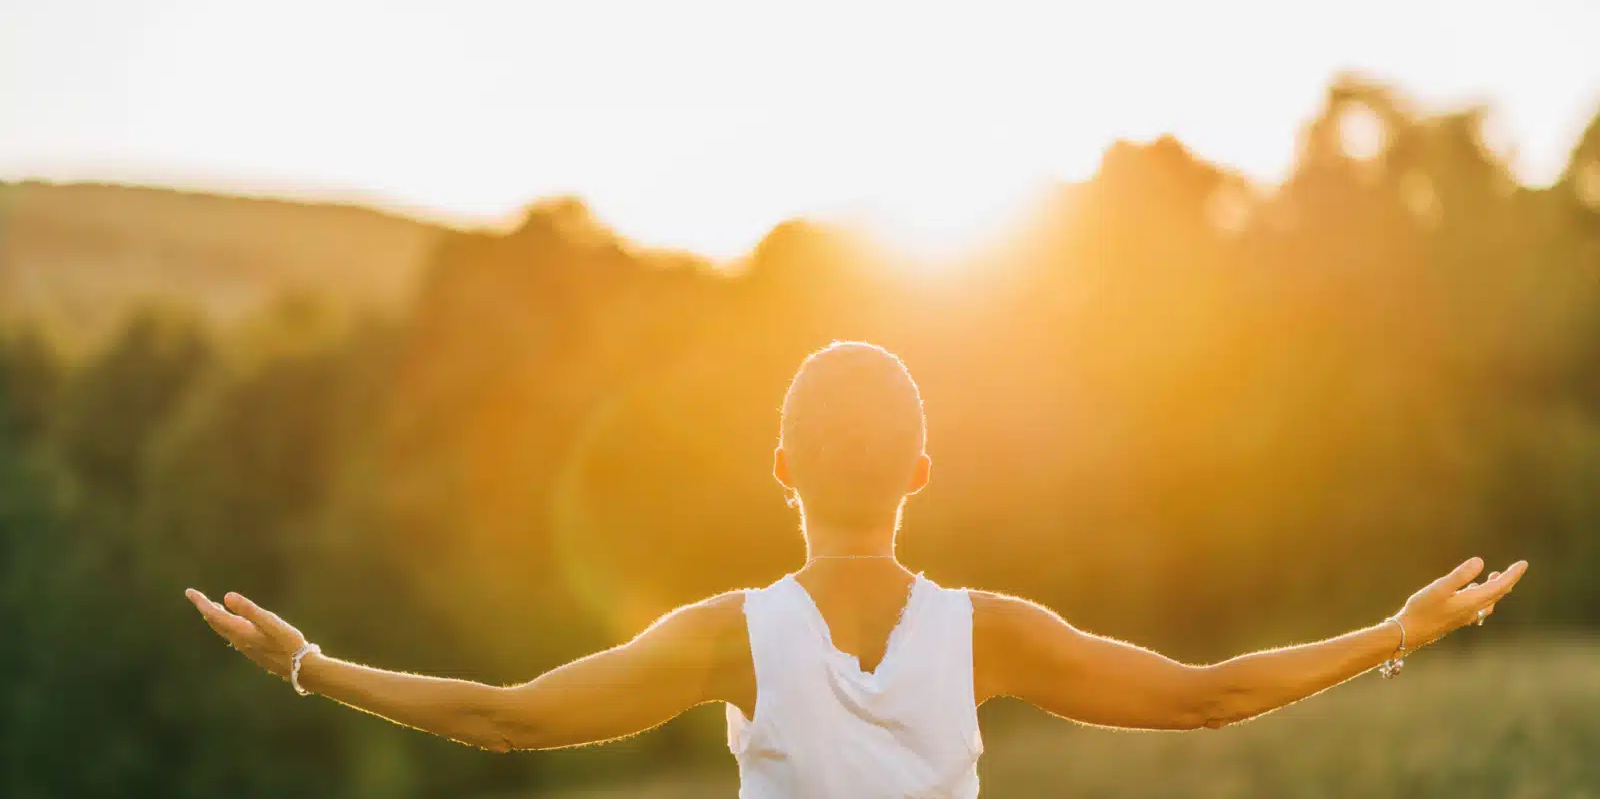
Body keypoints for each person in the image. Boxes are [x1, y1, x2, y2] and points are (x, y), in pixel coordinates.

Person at [188, 340, 1528, 798]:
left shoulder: (727, 640)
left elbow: (506, 715)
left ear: (782, 469)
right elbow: (1205, 696)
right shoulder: (990, 632)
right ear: (922, 473)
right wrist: (1393, 630)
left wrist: (308, 665)